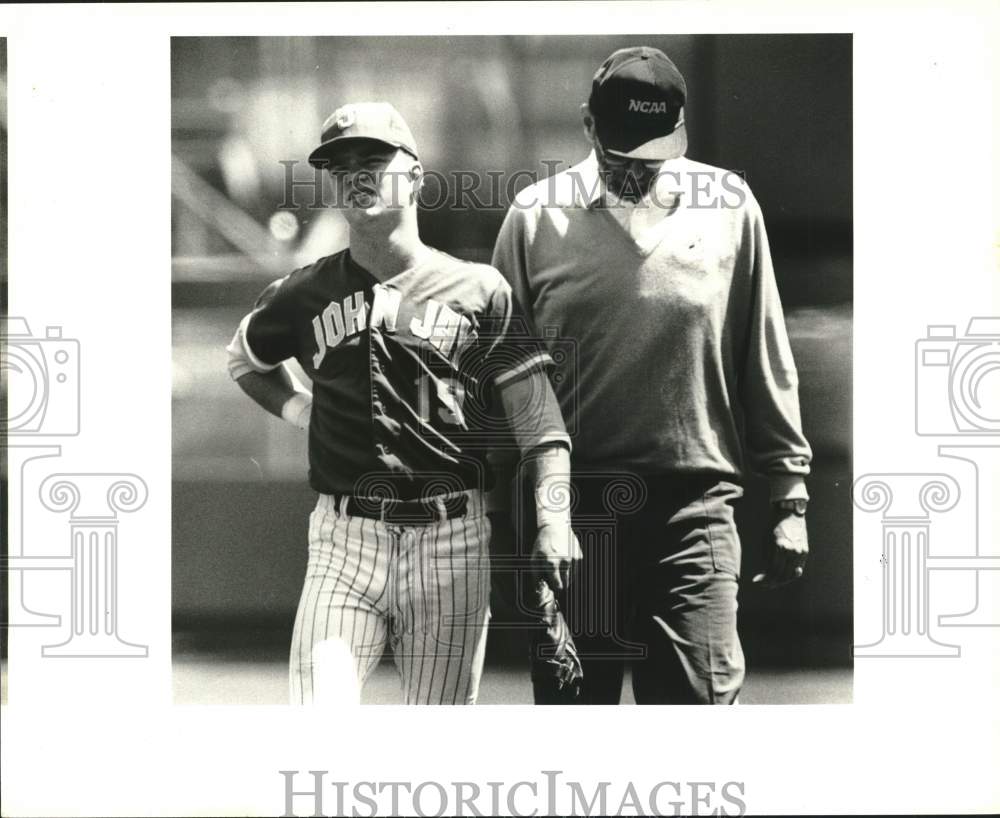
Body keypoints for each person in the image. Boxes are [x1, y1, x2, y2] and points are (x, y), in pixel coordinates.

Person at [226, 101, 580, 705]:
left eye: (372, 160)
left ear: (414, 175)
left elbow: (541, 424)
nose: (355, 175)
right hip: (344, 543)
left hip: (451, 542)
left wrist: (554, 518)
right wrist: (300, 410)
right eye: (340, 166)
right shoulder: (302, 292)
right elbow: (244, 360)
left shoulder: (480, 291)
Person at [490, 47, 812, 704]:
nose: (638, 171)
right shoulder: (533, 217)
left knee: (697, 713)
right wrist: (500, 514)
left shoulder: (730, 207)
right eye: (622, 155)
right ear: (588, 125)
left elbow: (764, 353)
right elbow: (500, 377)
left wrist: (790, 496)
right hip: (573, 511)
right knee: (576, 718)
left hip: (694, 507)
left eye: (654, 154)